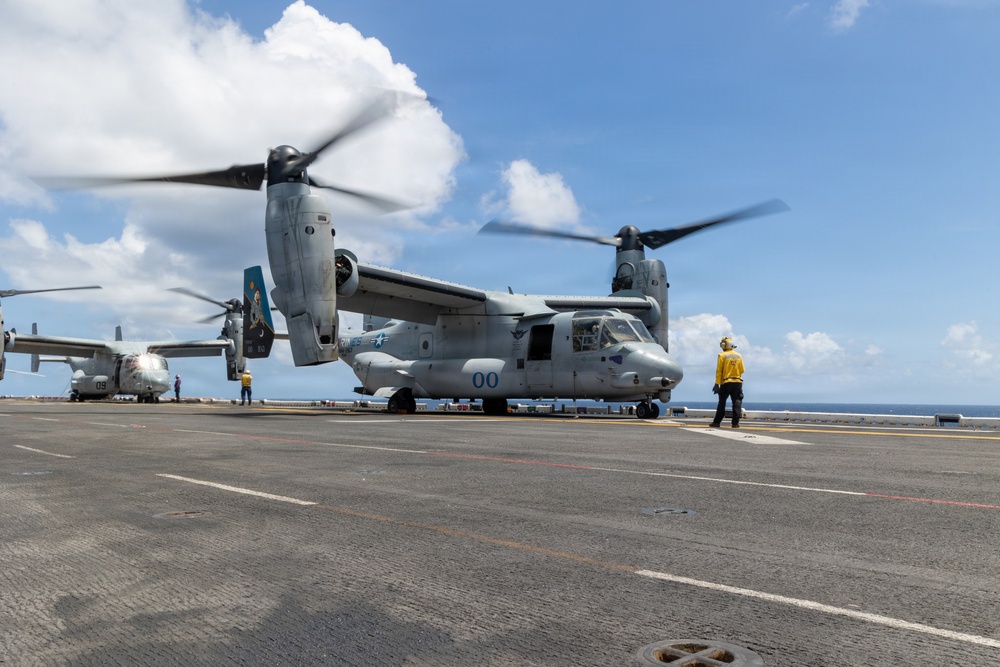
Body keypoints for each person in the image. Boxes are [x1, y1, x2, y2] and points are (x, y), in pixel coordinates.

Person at [710, 336, 744, 428]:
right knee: (737, 402)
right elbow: (742, 370)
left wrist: (717, 384)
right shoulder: (739, 356)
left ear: (725, 345)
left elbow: (719, 371)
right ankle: (735, 423)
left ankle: (717, 422)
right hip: (738, 382)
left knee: (722, 402)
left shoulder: (722, 355)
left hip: (726, 382)